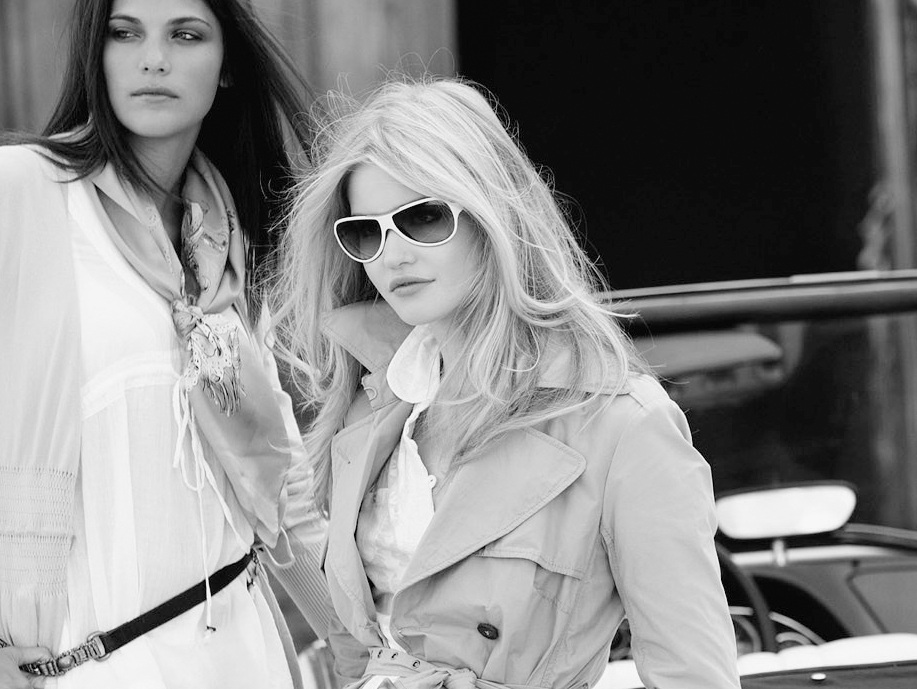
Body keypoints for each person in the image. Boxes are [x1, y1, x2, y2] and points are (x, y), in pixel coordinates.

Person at [0, 0, 316, 686]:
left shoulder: (224, 232)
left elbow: (275, 481)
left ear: (228, 65)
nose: (154, 59)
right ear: (95, 52)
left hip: (248, 656)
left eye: (186, 35)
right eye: (125, 33)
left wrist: (361, 646)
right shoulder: (1, 196)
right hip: (87, 667)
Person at [266, 76, 741, 689]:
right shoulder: (373, 402)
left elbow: (693, 674)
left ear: (493, 214)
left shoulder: (619, 423)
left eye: (423, 217)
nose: (393, 254)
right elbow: (360, 644)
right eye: (365, 231)